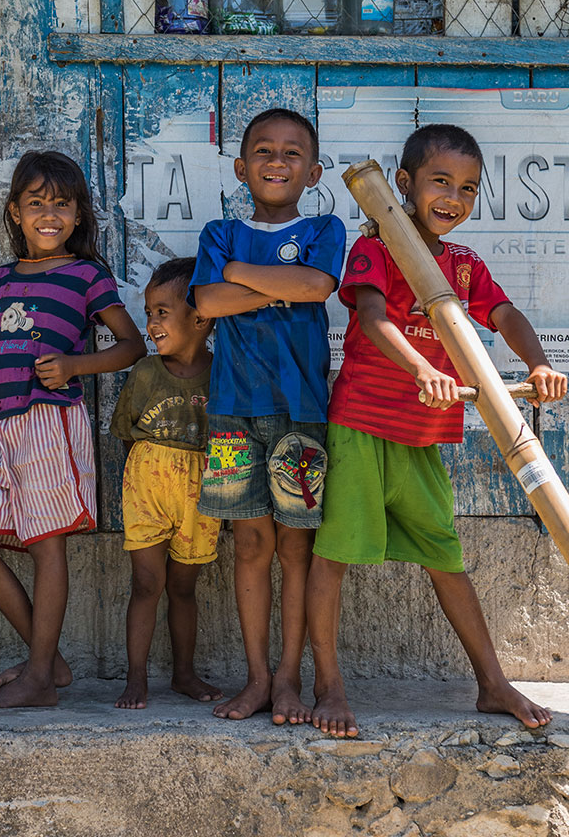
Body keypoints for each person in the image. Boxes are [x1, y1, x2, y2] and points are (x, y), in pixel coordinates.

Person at [307, 123, 566, 738]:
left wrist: (539, 364)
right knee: (336, 557)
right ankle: (329, 685)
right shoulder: (376, 251)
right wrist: (423, 368)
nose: (454, 197)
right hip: (363, 429)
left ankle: (492, 684)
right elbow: (370, 318)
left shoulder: (466, 267)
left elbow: (505, 316)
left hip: (423, 438)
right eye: (440, 182)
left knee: (446, 561)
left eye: (469, 188)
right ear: (404, 185)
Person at [0, 151, 146, 708]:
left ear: (77, 216)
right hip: (3, 429)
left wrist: (76, 365)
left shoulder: (86, 276)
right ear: (14, 213)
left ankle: (37, 678)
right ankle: (47, 661)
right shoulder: (1, 279)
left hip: (51, 422)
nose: (48, 214)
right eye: (36, 204)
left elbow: (132, 345)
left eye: (61, 204)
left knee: (45, 545)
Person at [190, 109, 346, 725]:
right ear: (240, 167)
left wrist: (243, 278)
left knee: (295, 549)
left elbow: (319, 286)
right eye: (263, 151)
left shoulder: (325, 226)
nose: (276, 162)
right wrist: (285, 283)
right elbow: (206, 301)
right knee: (249, 543)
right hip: (232, 412)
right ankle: (256, 678)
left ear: (311, 170)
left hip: (301, 412)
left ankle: (289, 678)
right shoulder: (219, 231)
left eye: (290, 154)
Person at [111, 256, 222, 710]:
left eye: (162, 311)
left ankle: (183, 674)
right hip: (148, 488)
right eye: (149, 311)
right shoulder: (144, 374)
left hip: (202, 493)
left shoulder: (221, 373)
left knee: (182, 587)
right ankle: (135, 678)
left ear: (200, 317)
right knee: (145, 584)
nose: (152, 322)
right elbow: (125, 435)